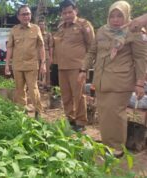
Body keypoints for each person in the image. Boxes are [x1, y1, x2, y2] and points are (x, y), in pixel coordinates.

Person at [78, 1, 147, 157]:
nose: (115, 20)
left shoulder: (135, 32)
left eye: (120, 16)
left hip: (121, 81)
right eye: (112, 16)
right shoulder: (102, 31)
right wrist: (83, 69)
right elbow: (91, 52)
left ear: (127, 16)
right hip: (101, 79)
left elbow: (141, 59)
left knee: (116, 112)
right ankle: (108, 141)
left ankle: (117, 147)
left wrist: (140, 84)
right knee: (104, 112)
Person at [53, 0, 95, 131]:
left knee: (79, 95)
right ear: (61, 14)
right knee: (65, 95)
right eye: (64, 13)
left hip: (78, 67)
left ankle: (81, 122)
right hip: (62, 67)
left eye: (70, 12)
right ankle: (70, 119)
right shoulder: (60, 27)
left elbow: (92, 46)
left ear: (75, 11)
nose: (67, 15)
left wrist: (86, 67)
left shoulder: (84, 25)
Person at [5, 4, 46, 119]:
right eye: (23, 14)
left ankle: (38, 112)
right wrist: (7, 65)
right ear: (18, 17)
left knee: (33, 89)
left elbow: (41, 47)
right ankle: (22, 113)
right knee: (19, 90)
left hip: (32, 65)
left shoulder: (36, 28)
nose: (26, 16)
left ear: (30, 15)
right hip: (17, 65)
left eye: (28, 14)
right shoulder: (14, 30)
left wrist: (43, 63)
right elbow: (10, 48)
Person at [38, 19, 53, 91]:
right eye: (40, 24)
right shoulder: (36, 34)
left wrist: (51, 57)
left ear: (45, 26)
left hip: (46, 53)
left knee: (46, 70)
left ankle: (47, 85)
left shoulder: (48, 34)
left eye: (42, 24)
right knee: (37, 70)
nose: (41, 26)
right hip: (37, 54)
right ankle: (38, 84)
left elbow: (51, 46)